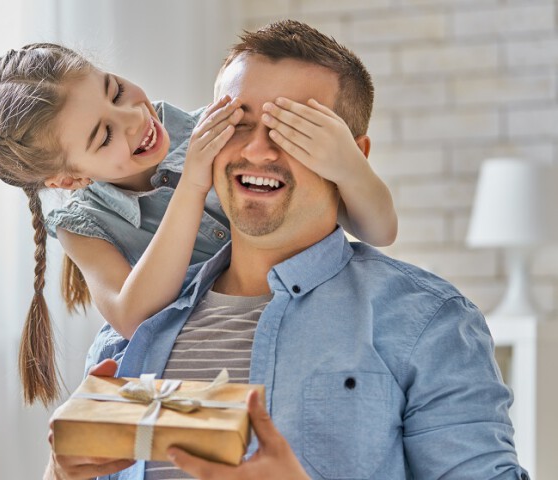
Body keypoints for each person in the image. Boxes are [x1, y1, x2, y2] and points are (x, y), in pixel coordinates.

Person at [48, 20, 528, 479]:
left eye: (294, 129)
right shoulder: (128, 339)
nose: (257, 150)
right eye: (237, 122)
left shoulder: (425, 323)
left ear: (351, 156)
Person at [0, 43, 398, 405]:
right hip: (197, 361)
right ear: (69, 179)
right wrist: (193, 183)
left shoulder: (217, 128)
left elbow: (379, 232)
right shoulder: (80, 222)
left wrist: (348, 165)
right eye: (104, 136)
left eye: (116, 91)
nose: (133, 119)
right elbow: (132, 315)